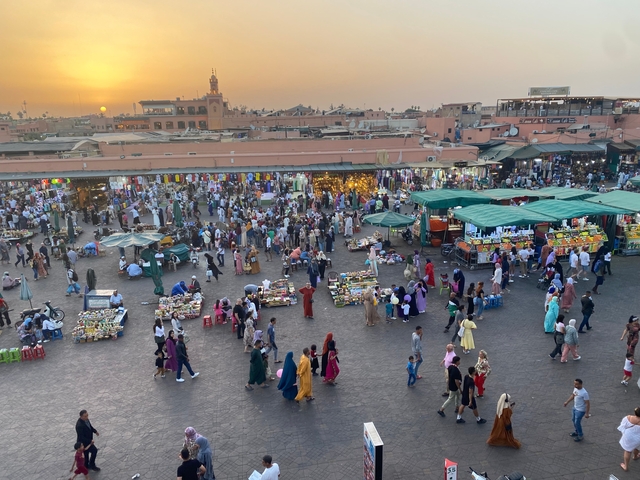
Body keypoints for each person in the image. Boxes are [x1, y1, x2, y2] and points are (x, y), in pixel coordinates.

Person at [617, 407, 640, 472]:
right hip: (639, 438)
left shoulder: (628, 418)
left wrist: (625, 433)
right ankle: (635, 456)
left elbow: (622, 426)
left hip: (629, 437)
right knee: (637, 448)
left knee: (627, 451)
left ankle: (626, 466)